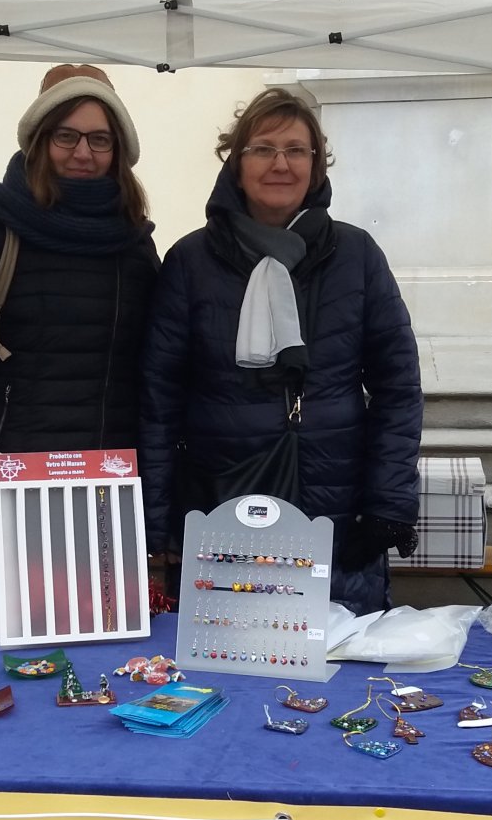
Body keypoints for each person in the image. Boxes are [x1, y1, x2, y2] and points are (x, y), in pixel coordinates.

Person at [138, 89, 422, 614]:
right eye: (263, 149)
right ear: (236, 162)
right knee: (231, 660)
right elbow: (159, 404)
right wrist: (156, 526)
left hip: (335, 503)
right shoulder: (191, 261)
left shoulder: (356, 254)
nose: (281, 164)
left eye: (297, 150)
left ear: (316, 165)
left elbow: (398, 388)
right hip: (222, 498)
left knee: (339, 665)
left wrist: (387, 504)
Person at [0, 65, 160, 452]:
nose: (82, 152)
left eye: (99, 139)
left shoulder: (133, 241)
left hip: (108, 472)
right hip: (6, 469)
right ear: (41, 141)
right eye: (66, 136)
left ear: (117, 152)